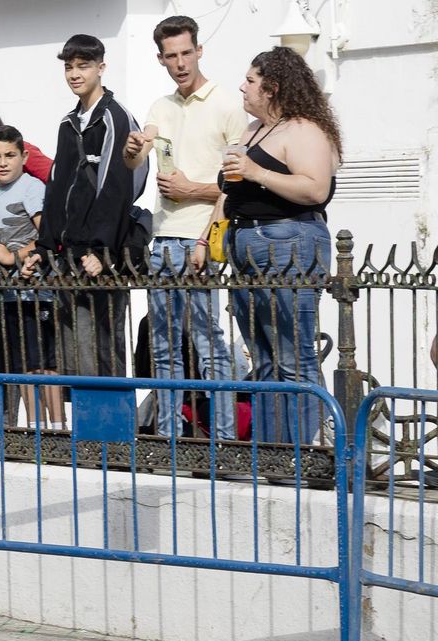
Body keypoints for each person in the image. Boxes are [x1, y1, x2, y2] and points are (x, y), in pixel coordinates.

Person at [192, 47, 338, 446]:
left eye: (251, 80)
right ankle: (273, 449)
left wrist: (256, 171)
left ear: (272, 88)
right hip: (246, 244)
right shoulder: (254, 130)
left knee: (293, 356)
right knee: (267, 358)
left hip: (287, 241)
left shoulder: (303, 129)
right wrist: (208, 236)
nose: (243, 86)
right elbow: (230, 191)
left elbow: (315, 188)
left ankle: (300, 448)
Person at [123, 14, 247, 442]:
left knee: (210, 345)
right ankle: (170, 439)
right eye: (171, 56)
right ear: (160, 58)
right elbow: (136, 159)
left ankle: (226, 441)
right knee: (163, 349)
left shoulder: (227, 105)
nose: (180, 63)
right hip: (163, 238)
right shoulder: (160, 107)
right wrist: (134, 148)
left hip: (201, 239)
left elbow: (236, 186)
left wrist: (193, 195)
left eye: (186, 53)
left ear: (199, 51)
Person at [33, 34, 147, 378]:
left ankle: (111, 431)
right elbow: (56, 188)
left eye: (83, 65)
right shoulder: (68, 123)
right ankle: (84, 432)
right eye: (69, 67)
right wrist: (45, 246)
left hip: (102, 254)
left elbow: (119, 187)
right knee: (73, 350)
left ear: (101, 68)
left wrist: (104, 251)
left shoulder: (115, 117)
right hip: (67, 253)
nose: (74, 74)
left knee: (102, 348)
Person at [0, 125, 62, 429]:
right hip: (6, 293)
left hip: (36, 291)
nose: (3, 162)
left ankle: (56, 428)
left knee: (43, 364)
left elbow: (46, 236)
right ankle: (35, 426)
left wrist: (12, 257)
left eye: (10, 156)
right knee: (21, 366)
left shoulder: (32, 188)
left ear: (23, 156)